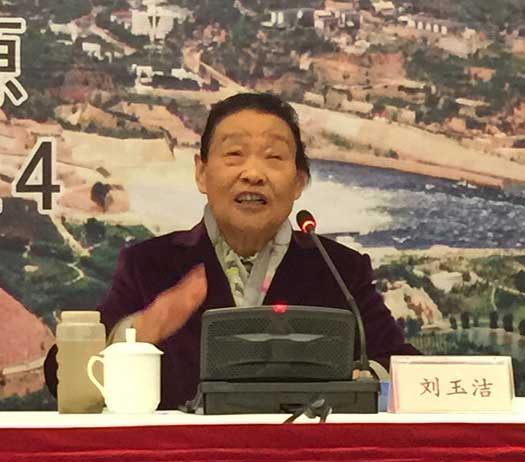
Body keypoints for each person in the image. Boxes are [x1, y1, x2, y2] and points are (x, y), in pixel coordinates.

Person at [45, 92, 419, 409]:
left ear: (299, 181)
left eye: (274, 157)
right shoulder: (151, 264)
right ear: (201, 173)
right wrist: (140, 330)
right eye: (235, 154)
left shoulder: (338, 268)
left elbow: (404, 368)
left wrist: (364, 380)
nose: (253, 173)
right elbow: (58, 375)